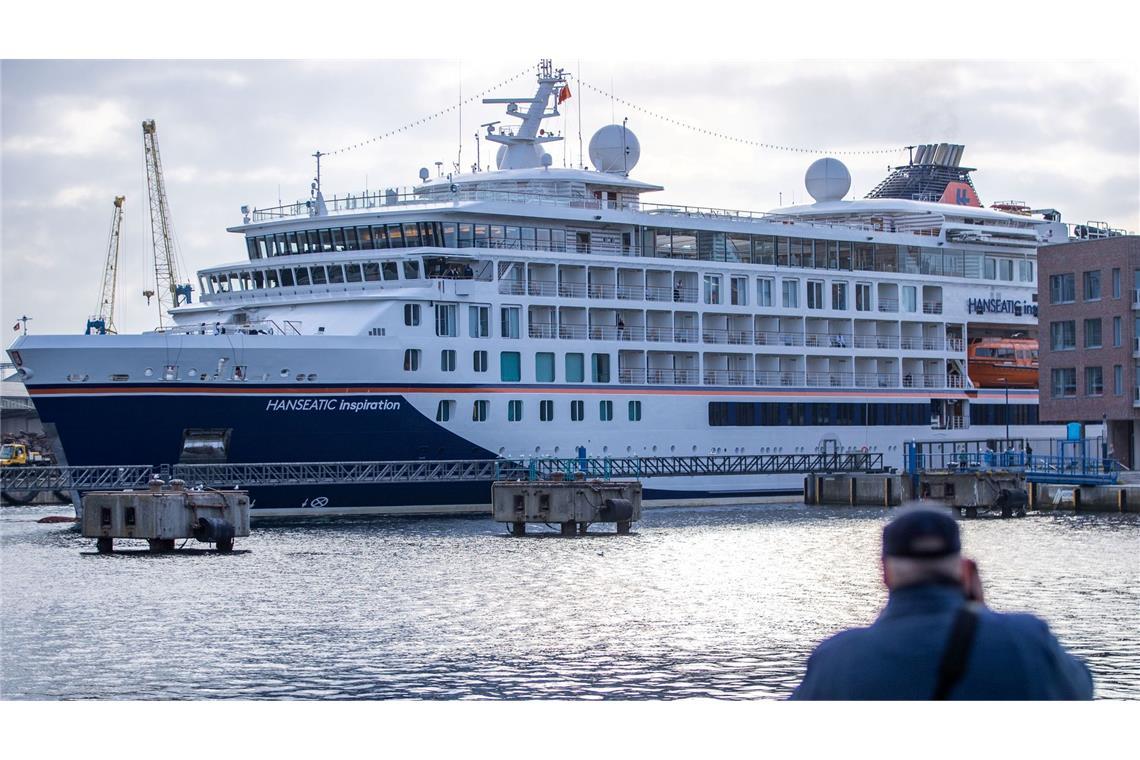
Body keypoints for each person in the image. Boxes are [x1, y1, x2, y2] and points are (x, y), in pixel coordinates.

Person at [791, 507, 1093, 700]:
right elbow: (1080, 690)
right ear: (964, 569)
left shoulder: (836, 661)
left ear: (885, 572)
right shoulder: (1026, 640)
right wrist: (979, 615)